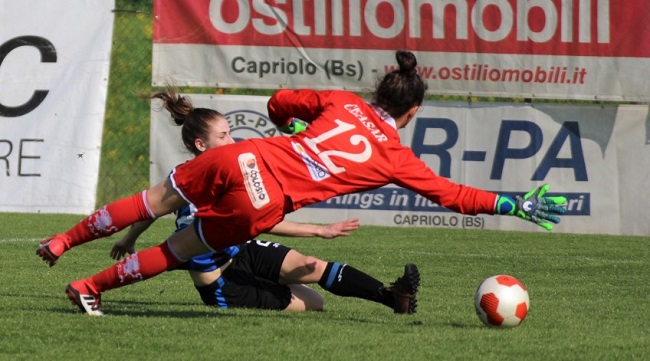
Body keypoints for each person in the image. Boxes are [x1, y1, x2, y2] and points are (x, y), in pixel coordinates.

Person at [36, 50, 567, 315]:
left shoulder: (343, 103)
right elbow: (454, 197)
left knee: (149, 200)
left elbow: (278, 103)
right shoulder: (393, 157)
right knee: (178, 249)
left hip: (247, 155)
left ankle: (63, 240)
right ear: (412, 112)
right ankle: (90, 288)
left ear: (381, 89)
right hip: (264, 200)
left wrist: (293, 129)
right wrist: (512, 203)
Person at [104, 88, 420, 314]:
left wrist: (130, 238)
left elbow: (158, 216)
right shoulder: (193, 179)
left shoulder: (229, 171)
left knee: (313, 266)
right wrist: (318, 231)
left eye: (230, 133)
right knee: (315, 303)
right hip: (223, 282)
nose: (233, 141)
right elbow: (157, 214)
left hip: (241, 249)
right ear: (201, 145)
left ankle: (393, 297)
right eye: (224, 137)